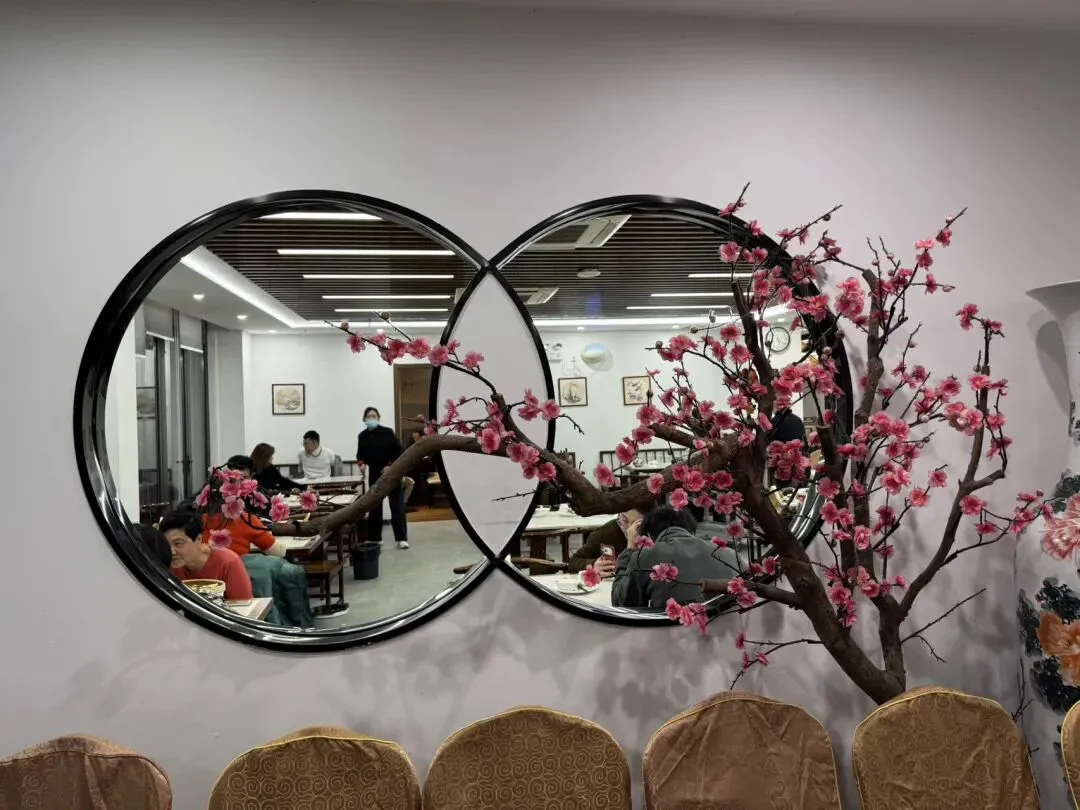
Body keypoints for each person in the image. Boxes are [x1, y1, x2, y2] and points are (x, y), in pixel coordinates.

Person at [610, 505, 731, 609]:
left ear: (649, 535)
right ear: (691, 529)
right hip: (724, 625)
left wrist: (630, 549)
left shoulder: (647, 556)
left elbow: (621, 603)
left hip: (670, 628)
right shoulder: (729, 554)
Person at [160, 511, 254, 600]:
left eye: (178, 543)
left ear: (198, 539)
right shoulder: (166, 564)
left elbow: (244, 605)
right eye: (166, 544)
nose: (172, 552)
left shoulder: (228, 562)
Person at [355, 406, 409, 549]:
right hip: (374, 474)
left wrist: (390, 466)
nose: (371, 419)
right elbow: (360, 455)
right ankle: (375, 538)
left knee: (396, 506)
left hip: (391, 473)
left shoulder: (387, 433)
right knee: (374, 506)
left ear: (378, 418)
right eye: (368, 417)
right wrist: (361, 464)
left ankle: (401, 538)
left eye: (374, 416)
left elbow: (399, 451)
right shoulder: (362, 436)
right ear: (364, 419)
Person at [567, 508, 643, 575]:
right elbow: (573, 562)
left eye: (638, 525)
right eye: (625, 521)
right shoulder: (606, 533)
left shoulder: (650, 532)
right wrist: (594, 565)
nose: (630, 530)